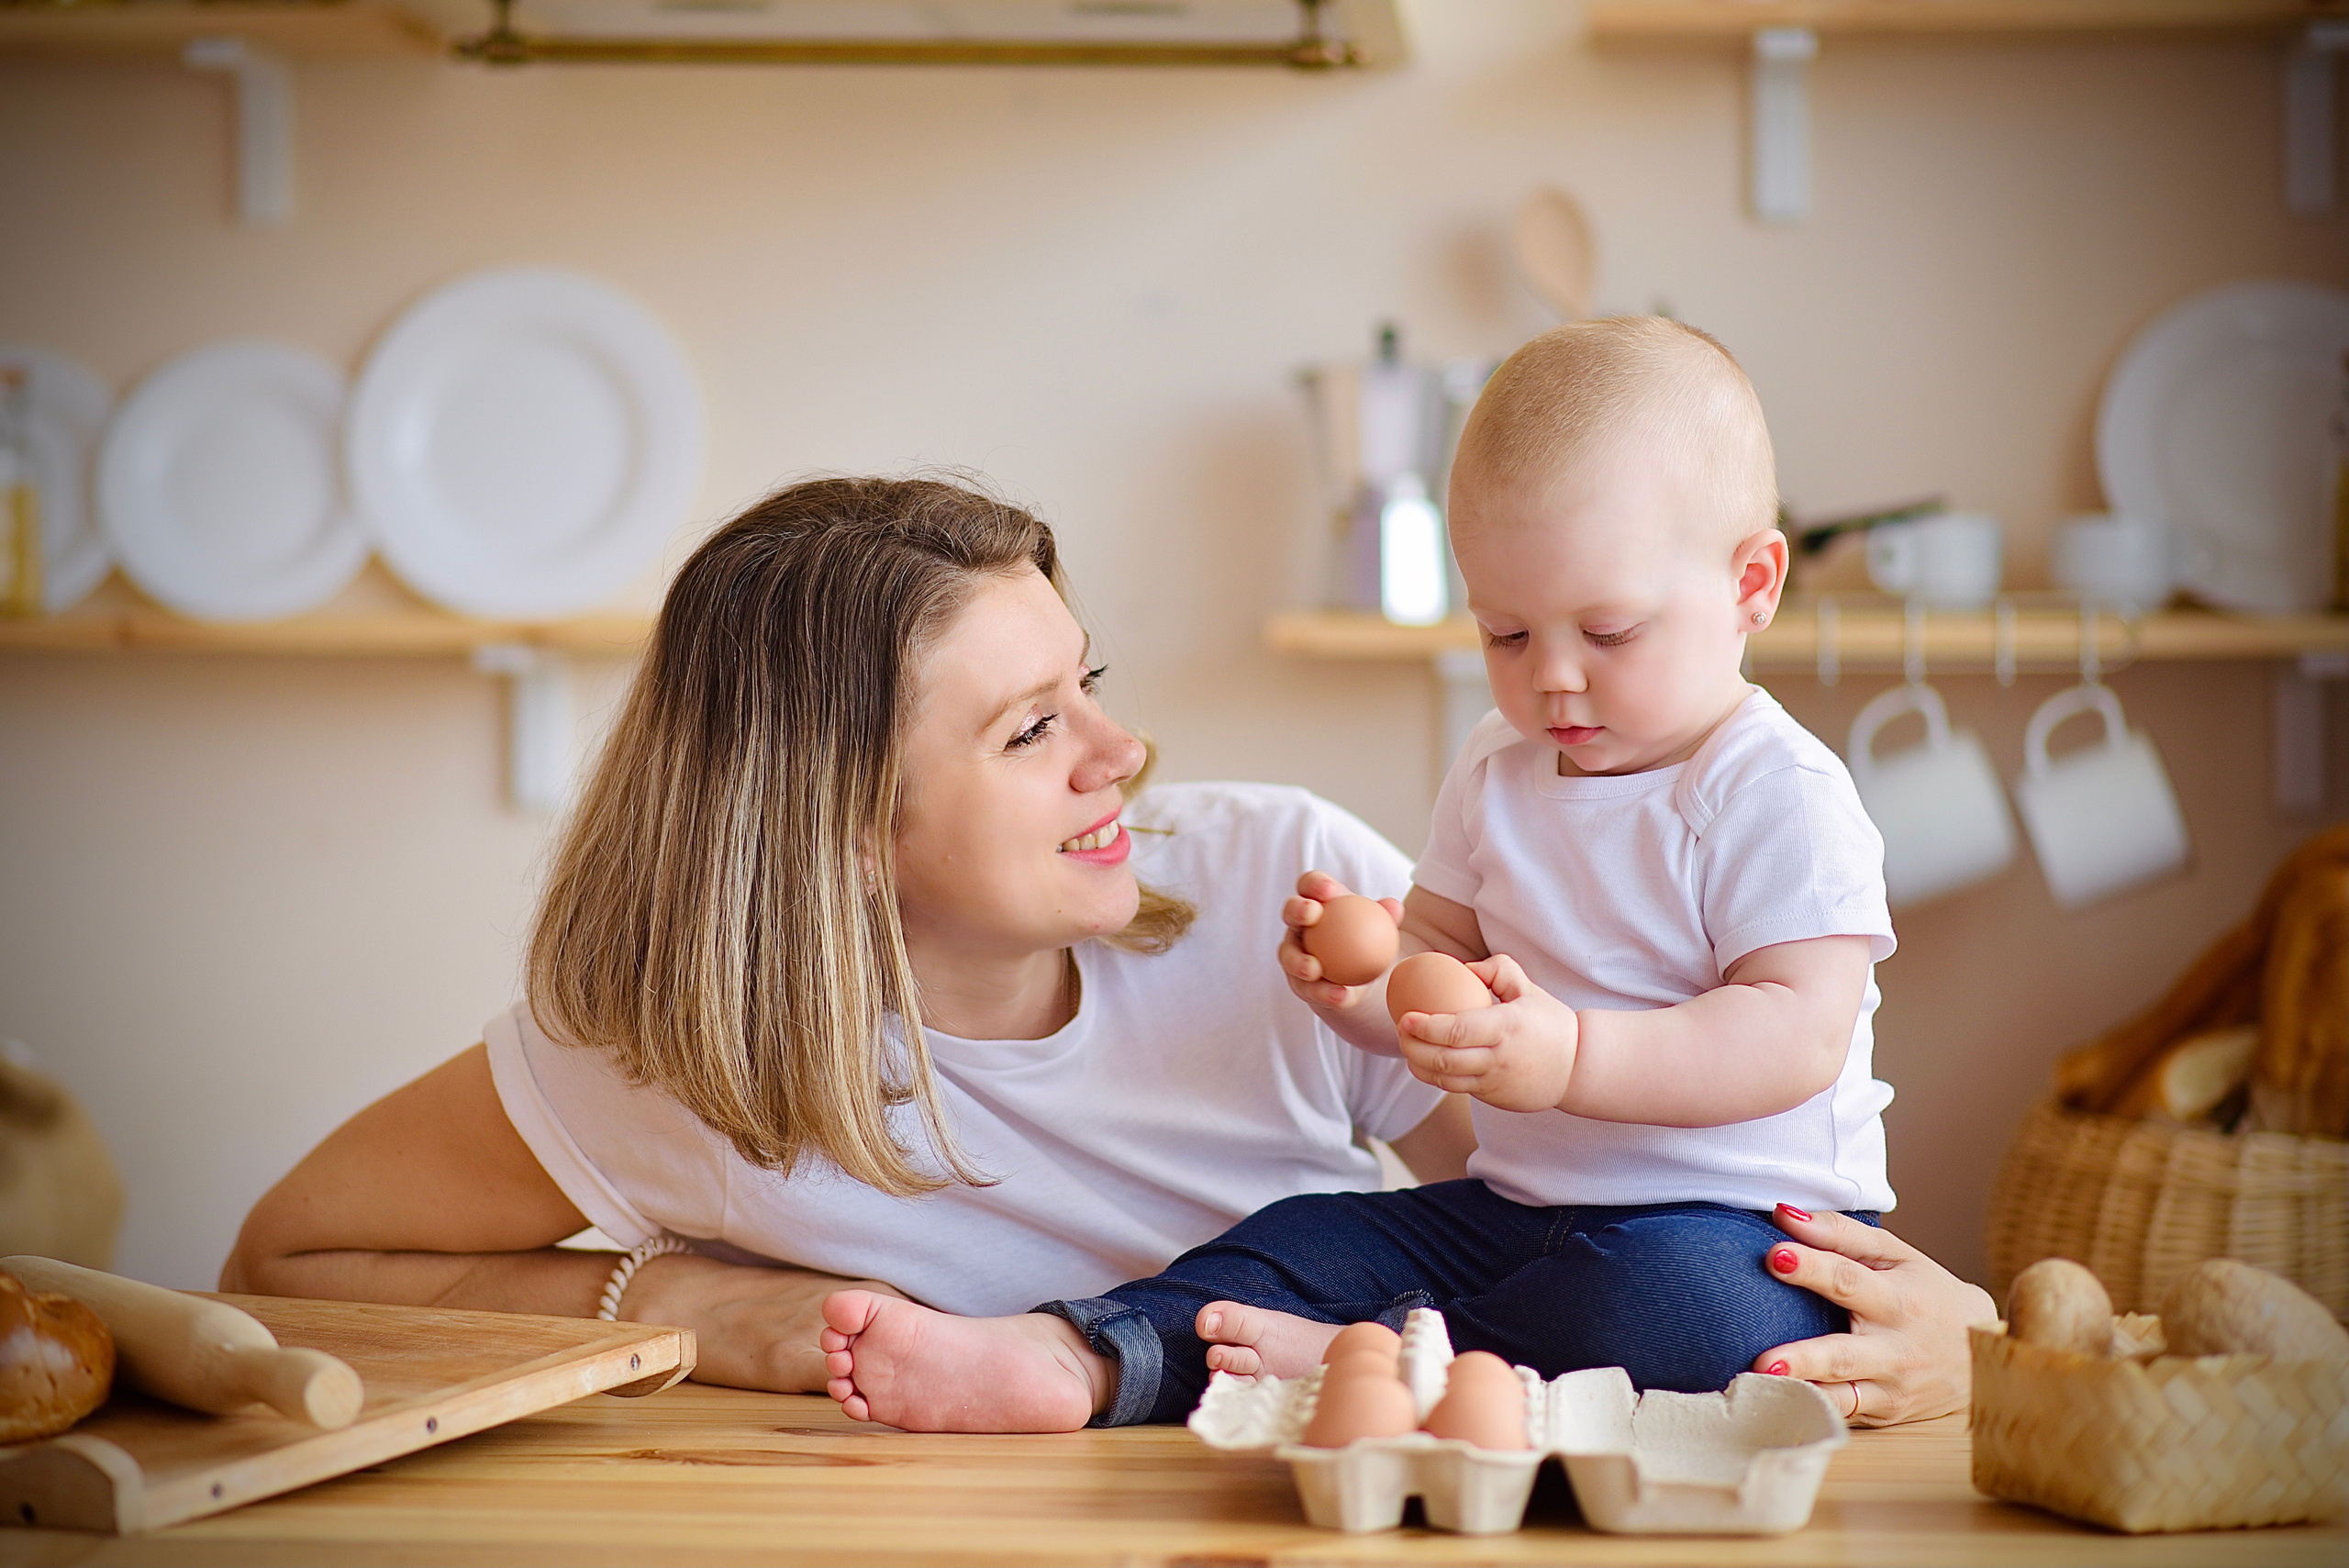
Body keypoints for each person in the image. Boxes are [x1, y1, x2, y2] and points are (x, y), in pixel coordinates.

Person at [223, 473, 1991, 1428]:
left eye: (1094, 685)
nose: (1119, 755)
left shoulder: (1278, 884)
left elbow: (1583, 1219)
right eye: (1025, 731)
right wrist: (715, 1315)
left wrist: (1964, 1328)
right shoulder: (659, 1055)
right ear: (838, 828)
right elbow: (291, 1264)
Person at [822, 319, 1920, 1431]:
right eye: (1504, 632)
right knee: (1302, 1232)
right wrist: (1371, 985)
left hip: (1731, 1224)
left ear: (1752, 585)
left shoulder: (1773, 789)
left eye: (1608, 630)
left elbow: (1795, 1029)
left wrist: (1571, 1053)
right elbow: (1438, 950)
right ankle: (1083, 1355)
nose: (1551, 677)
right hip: (1519, 1206)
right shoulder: (1500, 764)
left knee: (1682, 1314)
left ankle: (1395, 1359)